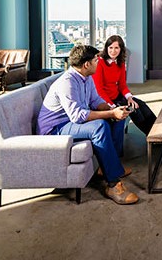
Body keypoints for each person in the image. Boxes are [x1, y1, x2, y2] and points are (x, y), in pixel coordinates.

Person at [37, 45, 138, 205]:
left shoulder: (86, 77)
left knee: (117, 120)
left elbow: (95, 101)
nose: (99, 62)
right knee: (99, 126)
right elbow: (77, 115)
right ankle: (112, 184)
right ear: (86, 64)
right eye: (96, 60)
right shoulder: (67, 83)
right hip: (56, 128)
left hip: (70, 122)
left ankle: (112, 166)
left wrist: (114, 110)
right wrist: (111, 113)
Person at [93, 35, 157, 137]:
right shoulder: (100, 63)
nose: (113, 51)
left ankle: (158, 132)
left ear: (121, 49)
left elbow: (122, 85)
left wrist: (129, 98)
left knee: (141, 105)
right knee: (135, 111)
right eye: (111, 47)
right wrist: (112, 107)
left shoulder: (120, 62)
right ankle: (152, 137)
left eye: (116, 48)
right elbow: (99, 90)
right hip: (106, 101)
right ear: (106, 48)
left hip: (118, 96)